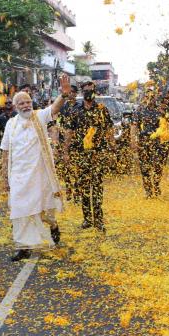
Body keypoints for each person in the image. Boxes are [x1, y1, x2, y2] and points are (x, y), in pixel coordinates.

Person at [1, 76, 73, 261]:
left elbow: (54, 108)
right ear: (16, 107)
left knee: (44, 210)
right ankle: (23, 246)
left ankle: (53, 225)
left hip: (40, 175)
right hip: (18, 177)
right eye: (22, 103)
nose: (26, 105)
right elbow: (5, 152)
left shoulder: (39, 116)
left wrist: (63, 95)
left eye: (28, 102)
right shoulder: (11, 124)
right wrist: (4, 178)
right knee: (19, 211)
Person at [68, 81, 112, 232]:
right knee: (84, 187)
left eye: (90, 90)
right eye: (85, 91)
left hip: (98, 154)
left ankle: (98, 219)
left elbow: (109, 130)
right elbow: (70, 132)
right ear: (82, 92)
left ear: (95, 92)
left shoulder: (102, 110)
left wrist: (111, 149)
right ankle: (87, 219)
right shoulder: (75, 110)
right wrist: (66, 151)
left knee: (98, 187)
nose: (88, 93)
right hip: (81, 154)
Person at [132, 90, 168, 198]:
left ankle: (156, 185)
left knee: (158, 165)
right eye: (148, 96)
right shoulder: (139, 110)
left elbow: (166, 127)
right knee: (144, 167)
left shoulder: (160, 111)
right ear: (144, 97)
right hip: (144, 142)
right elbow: (134, 126)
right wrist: (133, 140)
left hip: (158, 142)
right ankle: (148, 189)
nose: (150, 98)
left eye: (152, 96)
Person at [55, 84, 80, 206]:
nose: (70, 94)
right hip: (63, 142)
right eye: (68, 92)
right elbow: (57, 122)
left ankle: (77, 193)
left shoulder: (80, 107)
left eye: (72, 92)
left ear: (76, 93)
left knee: (77, 169)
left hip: (76, 143)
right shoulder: (62, 107)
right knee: (66, 169)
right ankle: (69, 191)